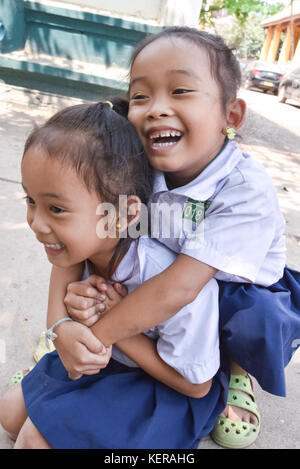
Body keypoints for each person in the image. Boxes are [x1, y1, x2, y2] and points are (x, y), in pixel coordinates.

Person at [60, 27, 300, 449]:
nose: (156, 109)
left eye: (181, 91)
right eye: (140, 96)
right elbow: (79, 239)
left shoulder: (246, 189)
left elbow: (182, 287)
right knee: (111, 239)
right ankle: (142, 344)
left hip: (233, 287)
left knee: (253, 318)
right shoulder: (133, 163)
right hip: (166, 271)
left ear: (232, 116)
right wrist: (62, 329)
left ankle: (234, 372)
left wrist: (93, 338)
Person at [0, 100, 228, 449]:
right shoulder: (82, 246)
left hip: (163, 388)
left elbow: (196, 387)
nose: (37, 223)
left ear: (122, 215)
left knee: (33, 441)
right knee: (9, 415)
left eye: (56, 208)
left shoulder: (169, 282)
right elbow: (60, 305)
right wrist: (64, 331)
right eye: (31, 200)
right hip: (106, 360)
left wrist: (115, 325)